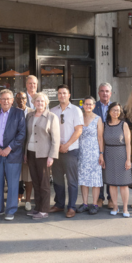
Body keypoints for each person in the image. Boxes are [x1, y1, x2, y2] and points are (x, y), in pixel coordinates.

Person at [0, 89, 26, 221]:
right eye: (3, 99)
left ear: (12, 100)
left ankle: (10, 210)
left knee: (13, 184)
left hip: (13, 155)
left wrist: (9, 148)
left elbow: (21, 134)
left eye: (8, 99)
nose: (5, 101)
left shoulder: (19, 113)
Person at [50, 84, 83, 218]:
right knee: (57, 180)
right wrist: (56, 146)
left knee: (71, 181)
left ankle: (71, 207)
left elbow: (79, 130)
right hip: (56, 150)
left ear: (69, 95)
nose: (62, 95)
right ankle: (59, 204)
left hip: (71, 150)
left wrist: (67, 145)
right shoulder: (53, 111)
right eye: (60, 93)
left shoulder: (76, 110)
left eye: (64, 93)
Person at [25, 92, 60, 219]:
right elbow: (26, 136)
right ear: (33, 102)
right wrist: (25, 154)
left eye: (42, 101)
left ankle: (44, 210)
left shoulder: (51, 117)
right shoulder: (29, 116)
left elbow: (56, 139)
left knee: (44, 183)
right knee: (35, 181)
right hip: (30, 152)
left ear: (46, 103)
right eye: (37, 101)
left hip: (44, 155)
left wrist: (51, 156)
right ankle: (37, 208)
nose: (39, 103)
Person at [102, 102, 132, 217]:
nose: (116, 112)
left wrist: (128, 159)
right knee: (112, 184)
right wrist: (102, 157)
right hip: (109, 155)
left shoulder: (123, 124)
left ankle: (125, 208)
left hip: (122, 155)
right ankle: (115, 206)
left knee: (123, 184)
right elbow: (102, 142)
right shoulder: (105, 125)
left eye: (118, 110)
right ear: (109, 111)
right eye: (114, 110)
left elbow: (128, 144)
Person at [77, 96, 104, 215]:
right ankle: (84, 203)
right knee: (83, 179)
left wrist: (101, 154)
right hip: (81, 151)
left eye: (90, 104)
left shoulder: (98, 119)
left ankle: (94, 204)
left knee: (95, 179)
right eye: (86, 104)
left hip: (94, 152)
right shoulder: (79, 117)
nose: (88, 106)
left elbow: (100, 137)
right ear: (83, 105)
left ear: (94, 106)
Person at [94, 82, 113, 208]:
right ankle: (100, 198)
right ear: (98, 93)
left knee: (111, 170)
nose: (104, 93)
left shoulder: (116, 107)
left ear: (110, 93)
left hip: (112, 143)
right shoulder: (93, 106)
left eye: (107, 91)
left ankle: (111, 198)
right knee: (99, 169)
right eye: (102, 91)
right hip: (97, 142)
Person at [16, 91, 33, 210]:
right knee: (16, 176)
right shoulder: (12, 112)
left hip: (29, 148)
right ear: (15, 100)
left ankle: (28, 200)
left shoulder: (33, 112)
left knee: (28, 177)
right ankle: (17, 198)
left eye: (23, 98)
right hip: (15, 148)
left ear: (27, 100)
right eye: (18, 98)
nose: (21, 100)